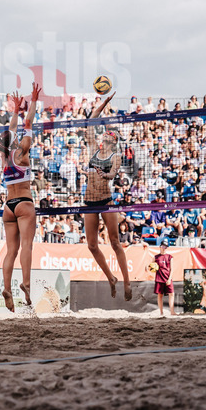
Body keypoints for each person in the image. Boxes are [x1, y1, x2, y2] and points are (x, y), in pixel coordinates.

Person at [81, 91, 131, 300]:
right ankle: (111, 278)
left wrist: (105, 173)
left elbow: (113, 173)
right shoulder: (94, 147)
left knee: (115, 242)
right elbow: (91, 120)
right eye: (105, 136)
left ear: (113, 141)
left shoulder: (115, 155)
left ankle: (127, 282)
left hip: (106, 201)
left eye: (109, 136)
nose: (105, 137)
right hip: (89, 201)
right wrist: (103, 103)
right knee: (92, 245)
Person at [0, 82, 40, 312]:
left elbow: (13, 127)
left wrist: (15, 109)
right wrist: (32, 101)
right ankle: (27, 284)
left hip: (8, 207)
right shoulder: (22, 152)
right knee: (27, 247)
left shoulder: (5, 156)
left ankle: (7, 287)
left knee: (10, 251)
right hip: (24, 203)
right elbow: (28, 123)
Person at [152, 240, 175, 316]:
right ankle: (161, 312)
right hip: (159, 278)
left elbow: (172, 269)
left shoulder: (169, 257)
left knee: (171, 294)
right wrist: (148, 267)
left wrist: (169, 279)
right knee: (160, 295)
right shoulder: (156, 257)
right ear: (160, 246)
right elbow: (152, 267)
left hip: (167, 277)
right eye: (163, 246)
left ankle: (172, 311)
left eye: (165, 247)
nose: (164, 248)